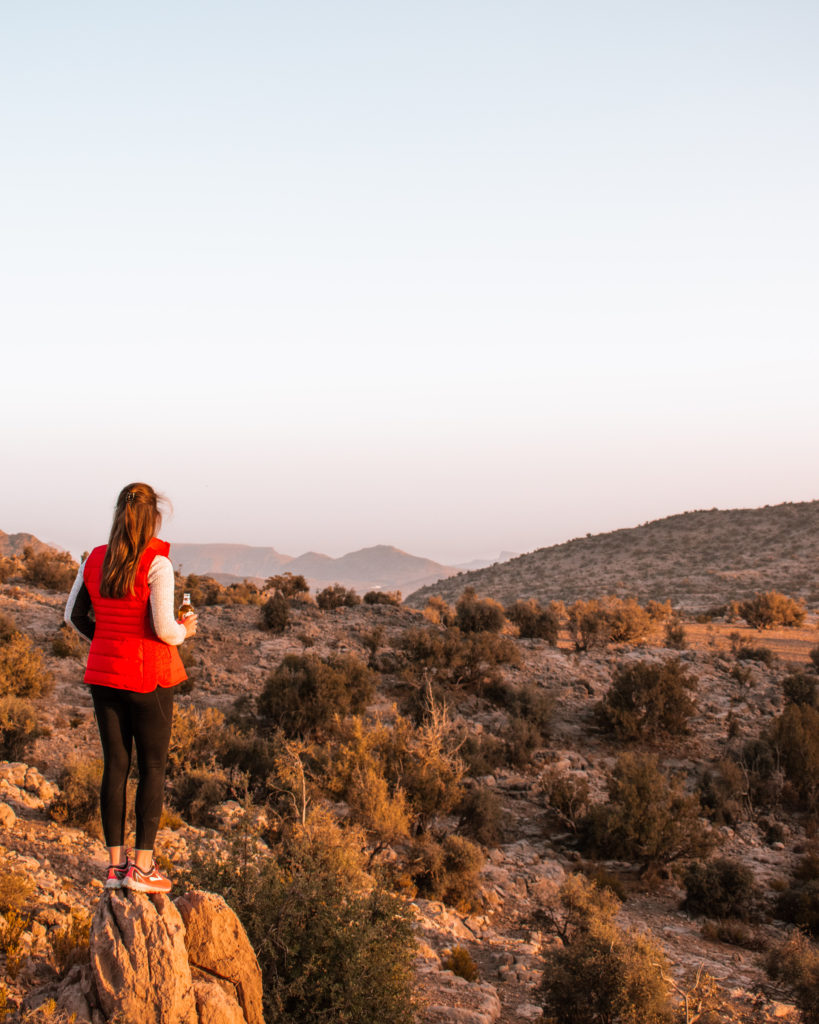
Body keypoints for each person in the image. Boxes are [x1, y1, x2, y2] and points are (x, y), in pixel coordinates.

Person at [64, 482, 197, 893]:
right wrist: (186, 630)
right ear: (152, 517)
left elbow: (73, 615)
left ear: (120, 515)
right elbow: (163, 629)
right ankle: (142, 870)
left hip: (104, 678)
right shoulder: (157, 563)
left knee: (115, 767)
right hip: (148, 679)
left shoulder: (94, 560)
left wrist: (106, 643)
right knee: (153, 767)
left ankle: (115, 868)